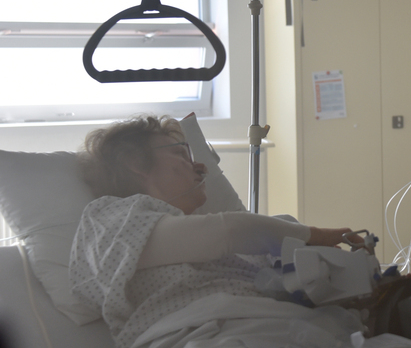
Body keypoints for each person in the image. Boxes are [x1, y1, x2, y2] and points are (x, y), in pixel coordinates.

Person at [70, 115, 366, 348]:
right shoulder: (111, 219)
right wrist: (317, 235)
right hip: (198, 336)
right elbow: (227, 231)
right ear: (136, 163)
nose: (200, 166)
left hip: (282, 328)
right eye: (180, 154)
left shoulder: (232, 247)